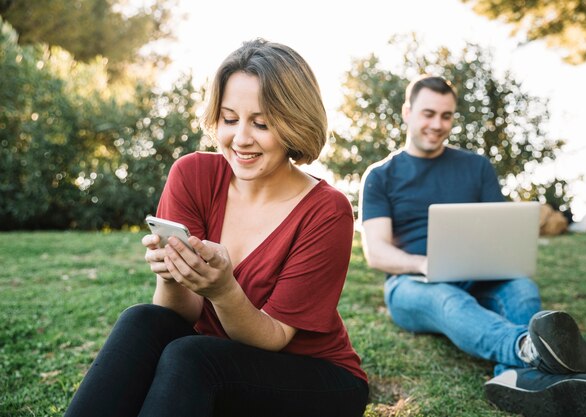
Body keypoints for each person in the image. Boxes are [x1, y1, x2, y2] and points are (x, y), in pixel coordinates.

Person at [64, 38, 368, 417]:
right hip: (219, 359)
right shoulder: (192, 175)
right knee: (143, 319)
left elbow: (274, 337)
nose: (241, 139)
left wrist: (224, 291)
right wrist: (173, 273)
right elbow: (182, 314)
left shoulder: (327, 210)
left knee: (192, 356)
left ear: (294, 122)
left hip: (317, 379)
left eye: (261, 123)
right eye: (229, 119)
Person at [359, 75, 586, 417]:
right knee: (448, 299)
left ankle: (519, 380)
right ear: (407, 112)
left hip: (478, 274)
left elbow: (496, 228)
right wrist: (425, 264)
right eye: (428, 114)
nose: (437, 124)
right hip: (413, 284)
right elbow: (376, 251)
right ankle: (529, 349)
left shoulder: (476, 166)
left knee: (522, 288)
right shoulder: (380, 175)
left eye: (446, 116)